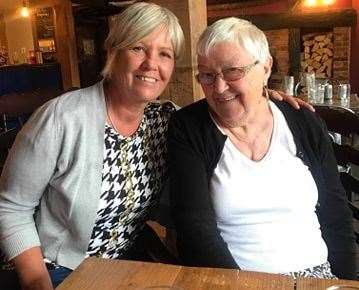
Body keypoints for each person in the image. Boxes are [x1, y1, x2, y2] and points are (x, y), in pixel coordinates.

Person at [0, 3, 312, 290]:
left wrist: (264, 99)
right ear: (112, 51)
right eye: (138, 48)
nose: (152, 63)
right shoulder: (62, 118)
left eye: (165, 54)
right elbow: (11, 208)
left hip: (124, 266)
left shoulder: (165, 120)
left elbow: (219, 110)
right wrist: (37, 282)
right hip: (55, 267)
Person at [168, 17, 356, 280]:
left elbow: (335, 212)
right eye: (208, 76)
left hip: (316, 277)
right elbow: (195, 227)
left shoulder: (303, 121)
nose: (219, 89)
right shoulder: (188, 127)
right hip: (232, 280)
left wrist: (349, 282)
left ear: (265, 68)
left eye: (233, 71)